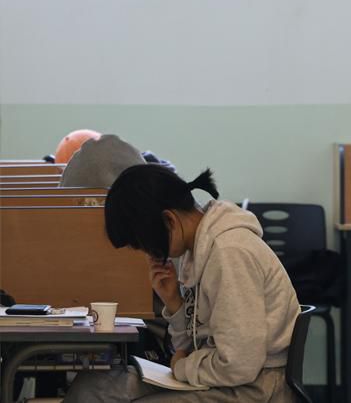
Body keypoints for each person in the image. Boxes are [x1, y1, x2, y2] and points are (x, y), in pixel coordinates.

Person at [65, 164, 300, 402]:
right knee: (94, 387)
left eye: (144, 243)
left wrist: (182, 367)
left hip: (258, 388)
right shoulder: (195, 252)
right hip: (224, 379)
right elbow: (191, 347)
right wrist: (175, 304)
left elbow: (239, 364)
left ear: (169, 220)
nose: (148, 253)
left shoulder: (229, 253)